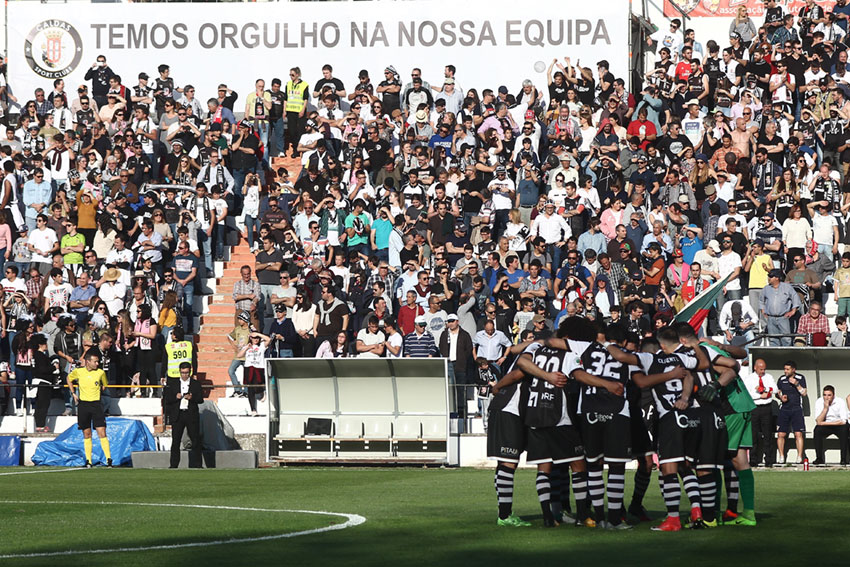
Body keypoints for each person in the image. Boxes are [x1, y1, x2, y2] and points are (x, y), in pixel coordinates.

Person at [66, 350, 112, 468]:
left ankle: (108, 459)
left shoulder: (100, 373)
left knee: (102, 432)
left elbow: (104, 385)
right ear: (88, 362)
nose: (97, 364)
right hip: (84, 405)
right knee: (87, 433)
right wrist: (73, 393)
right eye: (95, 361)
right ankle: (88, 461)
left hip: (96, 404)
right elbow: (68, 378)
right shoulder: (79, 372)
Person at [163, 361, 203, 468]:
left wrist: (192, 397)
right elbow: (167, 400)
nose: (184, 375)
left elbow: (201, 399)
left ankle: (197, 465)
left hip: (191, 415)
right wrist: (175, 397)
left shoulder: (196, 384)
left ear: (190, 372)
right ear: (179, 372)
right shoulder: (173, 384)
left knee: (195, 440)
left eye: (186, 373)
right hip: (178, 415)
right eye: (182, 373)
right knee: (175, 441)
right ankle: (173, 465)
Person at [742, 359, 777, 467]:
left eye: (764, 369)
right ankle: (753, 459)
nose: (763, 371)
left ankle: (769, 460)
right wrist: (759, 395)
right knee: (754, 434)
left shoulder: (768, 377)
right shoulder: (749, 379)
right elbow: (747, 394)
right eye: (761, 369)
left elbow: (774, 389)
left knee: (767, 434)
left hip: (766, 408)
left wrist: (764, 388)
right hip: (754, 408)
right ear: (755, 368)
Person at [776, 360, 808, 465]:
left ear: (793, 370)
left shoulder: (800, 378)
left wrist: (796, 384)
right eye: (784, 369)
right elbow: (778, 393)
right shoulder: (781, 379)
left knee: (798, 433)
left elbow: (804, 393)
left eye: (787, 369)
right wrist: (781, 397)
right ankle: (781, 456)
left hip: (796, 409)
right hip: (784, 409)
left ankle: (799, 457)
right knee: (781, 434)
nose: (785, 371)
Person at [812, 385, 849, 466]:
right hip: (825, 425)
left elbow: (843, 421)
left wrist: (823, 423)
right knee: (817, 430)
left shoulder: (840, 401)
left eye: (829, 395)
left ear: (833, 395)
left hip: (838, 425)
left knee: (845, 430)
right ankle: (819, 458)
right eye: (824, 395)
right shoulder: (819, 402)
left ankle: (844, 459)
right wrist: (825, 408)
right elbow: (818, 421)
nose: (827, 397)